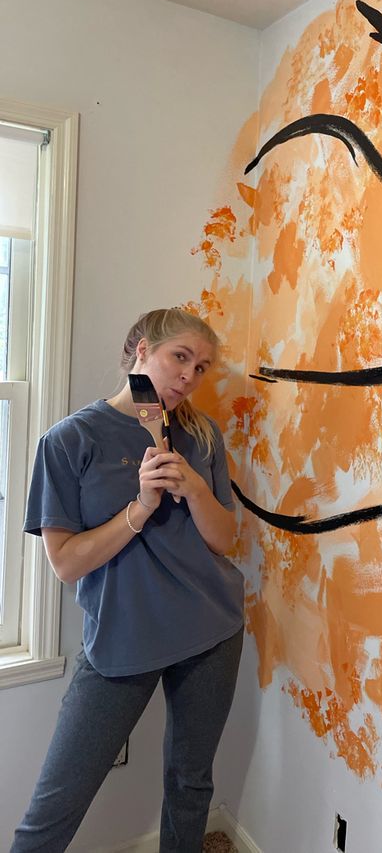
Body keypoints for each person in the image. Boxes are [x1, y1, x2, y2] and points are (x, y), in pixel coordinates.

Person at [11, 308, 245, 853]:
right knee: (56, 807)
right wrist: (140, 507)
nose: (189, 376)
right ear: (142, 351)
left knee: (191, 785)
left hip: (211, 630)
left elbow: (224, 539)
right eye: (179, 357)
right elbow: (66, 563)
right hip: (121, 640)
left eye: (202, 367)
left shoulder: (201, 435)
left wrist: (194, 489)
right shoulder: (69, 441)